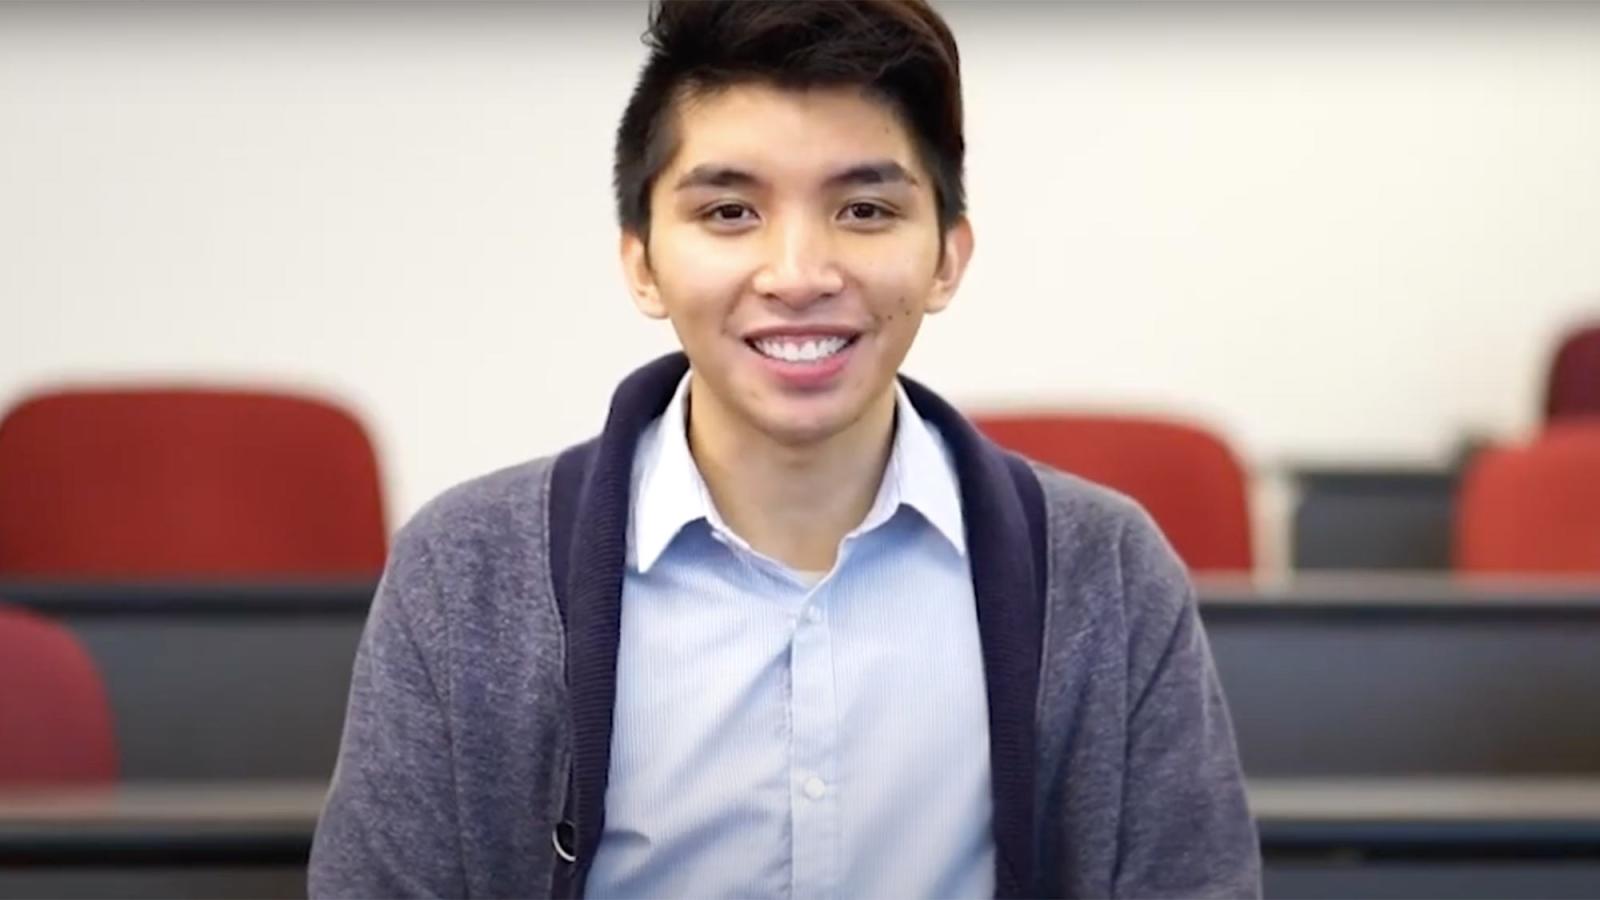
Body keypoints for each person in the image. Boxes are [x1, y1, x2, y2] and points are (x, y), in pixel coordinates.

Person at [309, 1, 1261, 897]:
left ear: (948, 258)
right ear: (641, 259)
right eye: (730, 212)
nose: (799, 276)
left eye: (865, 211)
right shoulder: (467, 571)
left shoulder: (1108, 571)